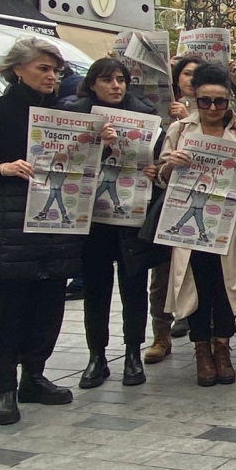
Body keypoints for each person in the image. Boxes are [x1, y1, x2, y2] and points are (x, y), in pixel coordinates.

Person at [0, 36, 85, 425]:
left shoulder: (63, 114)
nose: (51, 76)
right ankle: (6, 389)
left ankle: (34, 375)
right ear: (18, 69)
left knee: (48, 304)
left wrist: (100, 141)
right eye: (43, 69)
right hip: (10, 225)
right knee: (8, 307)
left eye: (56, 70)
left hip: (56, 222)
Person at [156, 64, 236, 388]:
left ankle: (223, 347)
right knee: (196, 285)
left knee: (225, 286)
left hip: (229, 223)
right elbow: (161, 177)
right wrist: (168, 166)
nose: (213, 109)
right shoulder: (179, 130)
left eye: (220, 102)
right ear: (195, 98)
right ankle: (201, 349)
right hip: (189, 222)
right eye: (206, 101)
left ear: (229, 100)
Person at [66, 59, 160, 390]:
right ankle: (97, 356)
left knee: (134, 287)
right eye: (107, 80)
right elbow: (61, 163)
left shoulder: (144, 114)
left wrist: (155, 171)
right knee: (96, 289)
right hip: (92, 219)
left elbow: (159, 160)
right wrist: (97, 145)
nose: (115, 86)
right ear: (93, 84)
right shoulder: (75, 114)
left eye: (121, 79)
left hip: (130, 218)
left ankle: (133, 353)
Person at [145, 54, 206, 358]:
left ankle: (207, 338)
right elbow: (156, 164)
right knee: (162, 275)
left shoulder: (218, 114)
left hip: (207, 207)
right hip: (171, 206)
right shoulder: (167, 117)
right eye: (186, 74)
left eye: (198, 75)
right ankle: (160, 335)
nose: (192, 80)